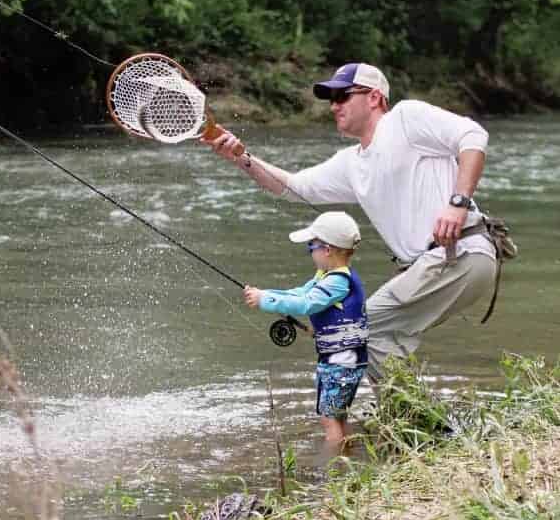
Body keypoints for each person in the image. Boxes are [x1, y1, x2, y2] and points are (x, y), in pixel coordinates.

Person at [210, 62, 497, 380]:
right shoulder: (351, 163)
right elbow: (293, 187)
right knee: (369, 337)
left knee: (356, 330)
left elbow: (473, 136)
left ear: (374, 98)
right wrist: (242, 158)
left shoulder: (405, 119)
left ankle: (419, 422)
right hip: (435, 266)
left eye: (342, 96)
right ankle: (415, 422)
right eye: (330, 98)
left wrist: (458, 202)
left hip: (462, 252)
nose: (333, 106)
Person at [244, 211, 367, 453]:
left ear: (327, 250)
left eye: (312, 246)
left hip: (339, 362)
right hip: (349, 360)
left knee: (328, 418)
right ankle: (348, 460)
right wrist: (266, 294)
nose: (310, 251)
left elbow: (305, 304)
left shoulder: (336, 282)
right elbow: (300, 293)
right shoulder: (332, 276)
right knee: (339, 415)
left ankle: (332, 470)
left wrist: (265, 300)